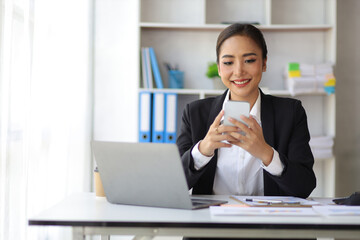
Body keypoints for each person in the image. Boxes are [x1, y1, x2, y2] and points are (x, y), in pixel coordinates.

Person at [176, 23, 316, 240]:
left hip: (271, 231)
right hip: (211, 231)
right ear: (219, 67)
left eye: (249, 60)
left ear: (264, 63)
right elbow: (174, 184)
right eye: (228, 62)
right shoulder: (195, 113)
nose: (239, 71)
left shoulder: (291, 113)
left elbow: (304, 186)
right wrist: (203, 150)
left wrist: (266, 154)